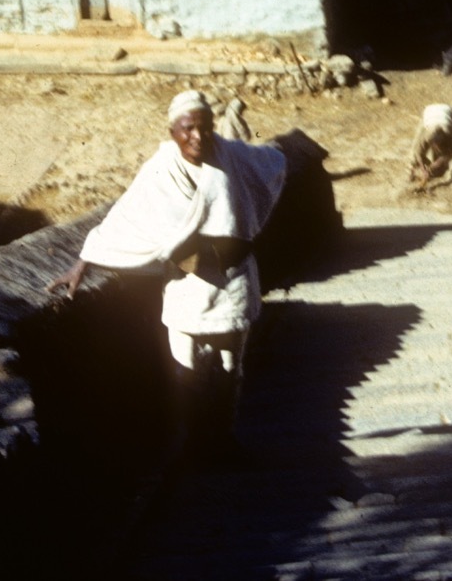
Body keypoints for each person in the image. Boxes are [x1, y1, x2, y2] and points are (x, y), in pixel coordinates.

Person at [51, 91, 287, 462]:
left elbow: (274, 161)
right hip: (186, 284)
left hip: (233, 281)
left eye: (205, 128)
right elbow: (125, 215)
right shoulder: (161, 169)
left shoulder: (231, 155)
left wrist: (256, 201)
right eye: (187, 129)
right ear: (172, 131)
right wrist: (83, 264)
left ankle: (224, 441)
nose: (197, 137)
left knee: (230, 369)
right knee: (184, 373)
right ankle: (192, 444)